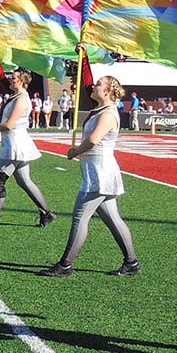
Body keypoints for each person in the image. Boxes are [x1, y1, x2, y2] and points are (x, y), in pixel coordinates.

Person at [38, 74, 140, 277]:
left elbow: (93, 140)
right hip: (96, 170)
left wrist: (76, 151)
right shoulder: (101, 110)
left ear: (109, 90)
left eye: (99, 84)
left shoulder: (109, 113)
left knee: (79, 217)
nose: (94, 86)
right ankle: (131, 263)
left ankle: (65, 265)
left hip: (100, 172)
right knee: (113, 219)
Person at [0, 69, 54, 228]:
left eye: (15, 78)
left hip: (16, 145)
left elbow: (10, 125)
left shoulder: (22, 99)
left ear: (23, 81)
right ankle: (46, 212)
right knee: (24, 181)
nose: (11, 79)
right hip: (14, 143)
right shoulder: (16, 96)